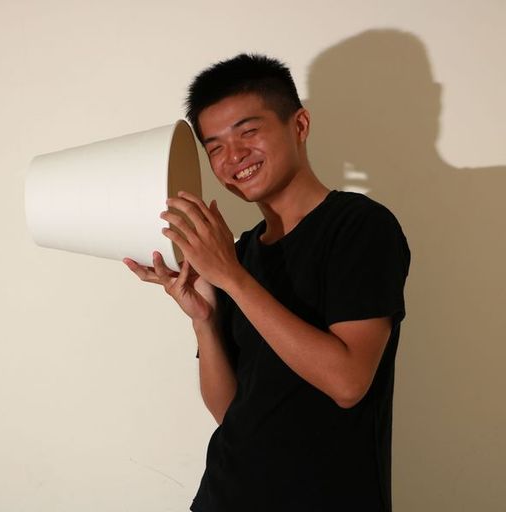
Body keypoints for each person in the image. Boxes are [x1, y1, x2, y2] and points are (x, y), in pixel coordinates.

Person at [124, 54, 410, 512]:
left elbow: (348, 382)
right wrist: (205, 321)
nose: (233, 156)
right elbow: (229, 412)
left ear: (300, 125)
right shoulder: (239, 255)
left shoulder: (360, 227)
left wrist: (233, 278)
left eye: (248, 132)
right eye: (215, 147)